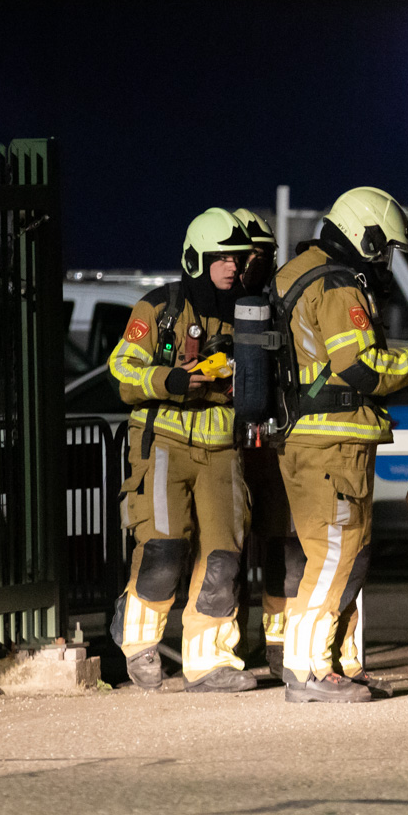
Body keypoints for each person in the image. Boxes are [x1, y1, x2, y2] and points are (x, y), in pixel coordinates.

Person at [272, 187, 408, 703]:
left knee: (345, 554)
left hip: (314, 438)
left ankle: (331, 664)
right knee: (335, 555)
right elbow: (361, 367)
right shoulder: (338, 284)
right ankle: (308, 670)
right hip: (332, 442)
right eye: (384, 248)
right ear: (364, 237)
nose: (384, 260)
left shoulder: (298, 271)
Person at [104, 208, 258, 693]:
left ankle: (209, 661)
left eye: (237, 258)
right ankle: (139, 643)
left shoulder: (248, 314)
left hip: (223, 449)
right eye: (222, 258)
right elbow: (121, 370)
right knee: (163, 550)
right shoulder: (158, 308)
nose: (233, 267)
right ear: (197, 259)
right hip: (164, 444)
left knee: (222, 558)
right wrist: (168, 379)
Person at [231, 207, 291, 674]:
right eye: (247, 254)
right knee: (225, 548)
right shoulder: (204, 306)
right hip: (223, 445)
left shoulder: (283, 305)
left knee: (277, 543)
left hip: (272, 442)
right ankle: (229, 643)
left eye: (263, 255)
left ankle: (278, 644)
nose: (254, 263)